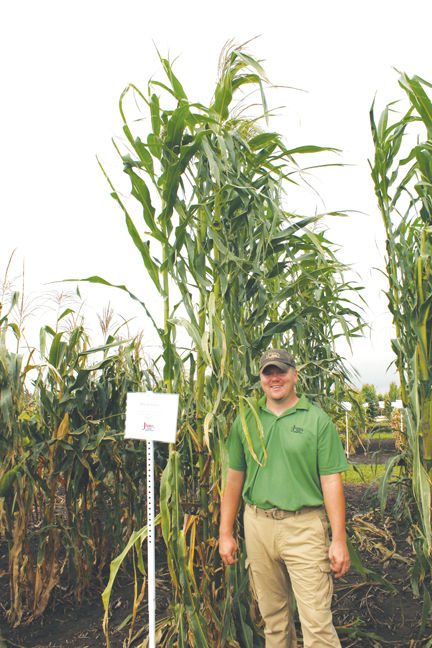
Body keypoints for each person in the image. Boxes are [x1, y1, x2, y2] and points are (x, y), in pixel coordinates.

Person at [219, 348, 350, 648]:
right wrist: (226, 532)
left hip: (304, 527)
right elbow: (234, 478)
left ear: (294, 374)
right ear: (261, 379)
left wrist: (339, 539)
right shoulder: (245, 421)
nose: (275, 378)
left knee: (316, 623)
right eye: (268, 372)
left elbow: (332, 482)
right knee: (274, 623)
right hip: (257, 526)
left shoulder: (317, 421)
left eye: (281, 371)